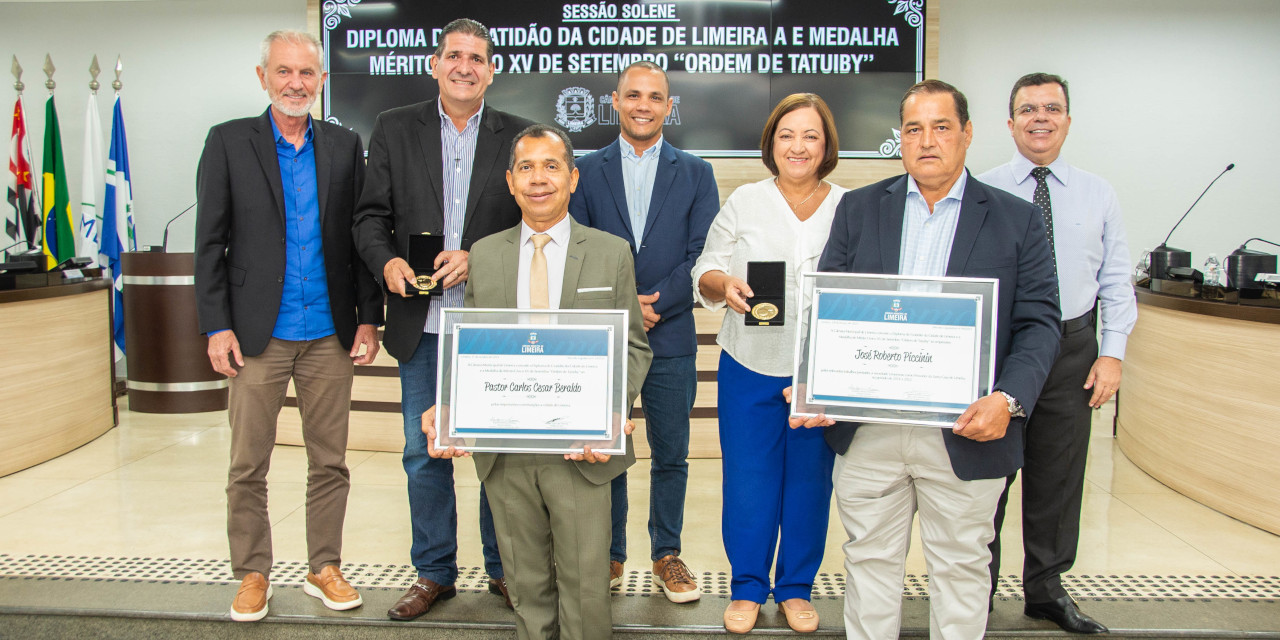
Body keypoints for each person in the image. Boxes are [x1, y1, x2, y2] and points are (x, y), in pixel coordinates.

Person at [804, 79, 1061, 640]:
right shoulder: (859, 207)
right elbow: (830, 308)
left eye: (941, 126)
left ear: (967, 134)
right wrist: (816, 385)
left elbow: (1039, 323)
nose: (926, 140)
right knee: (868, 564)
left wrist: (1008, 399)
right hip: (872, 428)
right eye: (914, 129)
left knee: (962, 569)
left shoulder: (1018, 220)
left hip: (968, 429)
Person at [422, 124, 653, 639]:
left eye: (551, 166)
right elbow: (471, 347)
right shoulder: (485, 253)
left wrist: (614, 410)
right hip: (506, 449)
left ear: (572, 178)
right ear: (510, 181)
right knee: (526, 587)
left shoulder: (611, 252)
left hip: (582, 447)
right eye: (526, 167)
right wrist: (449, 403)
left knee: (585, 587)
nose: (538, 179)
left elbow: (635, 345)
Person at [194, 29, 382, 622]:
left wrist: (368, 320)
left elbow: (362, 240)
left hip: (329, 331)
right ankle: (253, 572)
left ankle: (323, 565)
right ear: (263, 77)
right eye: (284, 72)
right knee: (248, 464)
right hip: (256, 335)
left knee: (330, 461)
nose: (296, 83)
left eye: (307, 73)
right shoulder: (227, 143)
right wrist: (215, 326)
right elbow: (210, 245)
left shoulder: (346, 146)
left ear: (322, 80)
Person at [352, 18, 534, 619]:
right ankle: (434, 571)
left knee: (496, 452)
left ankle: (504, 569)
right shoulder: (394, 128)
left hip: (491, 323)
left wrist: (476, 257)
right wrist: (388, 264)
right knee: (422, 451)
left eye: (476, 58)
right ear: (435, 64)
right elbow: (369, 219)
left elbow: (534, 217)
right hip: (420, 322)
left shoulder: (518, 136)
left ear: (491, 69)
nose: (464, 66)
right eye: (454, 55)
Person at [978, 72, 1136, 634]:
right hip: (1001, 348)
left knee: (1059, 476)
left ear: (1068, 119)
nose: (1039, 117)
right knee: (986, 476)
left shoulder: (1098, 193)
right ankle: (978, 589)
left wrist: (1111, 353)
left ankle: (1046, 590)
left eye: (1052, 108)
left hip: (1073, 347)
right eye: (1028, 109)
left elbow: (1117, 280)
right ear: (1010, 122)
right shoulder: (984, 188)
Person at [691, 93, 848, 634]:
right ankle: (749, 588)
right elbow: (706, 270)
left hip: (822, 370)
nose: (798, 146)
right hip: (750, 363)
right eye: (787, 135)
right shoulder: (744, 201)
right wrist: (725, 284)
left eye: (810, 135)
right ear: (771, 144)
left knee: (809, 482)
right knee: (750, 480)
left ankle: (796, 589)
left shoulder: (849, 206)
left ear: (826, 144)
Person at [568, 61, 718, 602]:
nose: (643, 105)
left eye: (655, 97)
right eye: (633, 95)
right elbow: (577, 247)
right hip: (604, 338)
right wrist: (624, 304)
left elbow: (704, 254)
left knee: (671, 453)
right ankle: (609, 555)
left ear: (668, 106)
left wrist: (655, 303)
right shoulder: (585, 168)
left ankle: (666, 554)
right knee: (607, 450)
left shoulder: (697, 172)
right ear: (615, 100)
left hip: (672, 334)